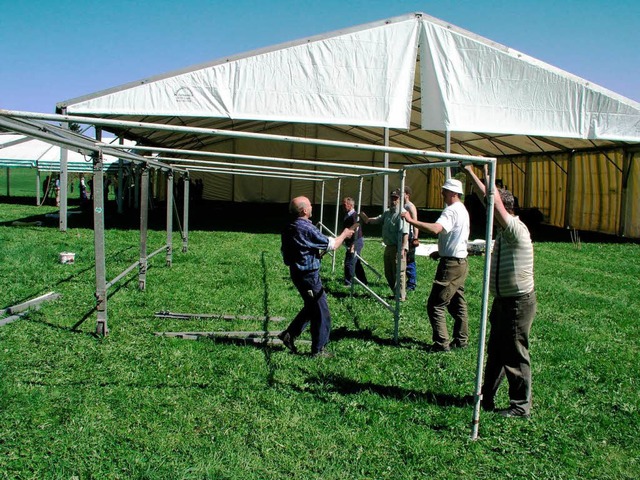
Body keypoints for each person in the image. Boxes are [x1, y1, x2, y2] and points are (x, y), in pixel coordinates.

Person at [463, 165, 536, 418]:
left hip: (518, 302)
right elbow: (489, 199)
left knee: (515, 353)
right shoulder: (504, 233)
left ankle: (520, 406)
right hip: (503, 301)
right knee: (495, 351)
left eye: (493, 208)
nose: (489, 213)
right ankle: (487, 396)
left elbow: (491, 201)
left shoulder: (516, 230)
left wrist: (486, 174)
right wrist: (472, 173)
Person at [279, 196, 354, 357]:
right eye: (310, 205)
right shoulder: (306, 228)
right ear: (304, 210)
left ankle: (289, 335)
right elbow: (332, 244)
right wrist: (345, 234)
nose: (312, 207)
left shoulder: (288, 226)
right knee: (321, 311)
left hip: (297, 272)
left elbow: (296, 248)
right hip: (308, 276)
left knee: (311, 307)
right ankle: (319, 349)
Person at [402, 178, 470, 352]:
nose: (442, 193)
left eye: (445, 191)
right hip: (461, 262)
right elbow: (456, 236)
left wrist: (411, 221)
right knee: (458, 303)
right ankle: (461, 340)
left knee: (436, 305)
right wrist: (441, 251)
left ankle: (441, 344)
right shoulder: (462, 209)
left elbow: (436, 229)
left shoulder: (451, 211)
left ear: (454, 193)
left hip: (451, 266)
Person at [359, 189, 410, 301]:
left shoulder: (401, 214)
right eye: (392, 198)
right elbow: (378, 219)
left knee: (399, 273)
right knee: (388, 272)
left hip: (398, 247)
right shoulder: (387, 212)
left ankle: (401, 296)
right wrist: (367, 219)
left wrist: (402, 249)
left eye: (395, 198)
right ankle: (395, 292)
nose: (393, 201)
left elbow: (405, 233)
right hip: (388, 246)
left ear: (400, 199)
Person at [341, 196, 368, 287]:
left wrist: (353, 244)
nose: (342, 206)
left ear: (351, 205)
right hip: (352, 241)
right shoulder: (348, 215)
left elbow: (356, 230)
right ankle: (363, 281)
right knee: (356, 263)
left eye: (344, 204)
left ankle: (348, 283)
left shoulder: (355, 216)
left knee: (349, 262)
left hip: (356, 241)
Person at [403, 186, 419, 291]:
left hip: (410, 237)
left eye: (402, 193)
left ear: (407, 194)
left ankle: (411, 283)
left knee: (410, 260)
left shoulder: (410, 206)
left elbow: (415, 222)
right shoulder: (402, 205)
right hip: (403, 236)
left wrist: (415, 237)